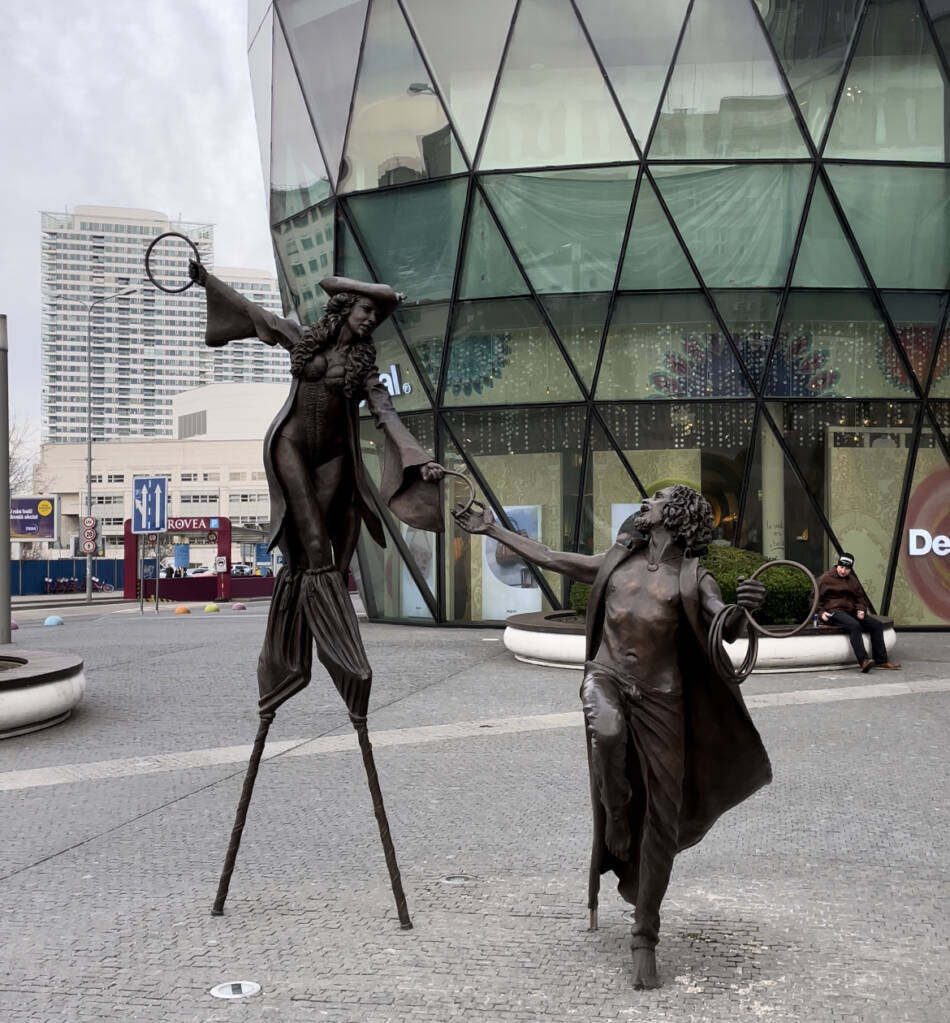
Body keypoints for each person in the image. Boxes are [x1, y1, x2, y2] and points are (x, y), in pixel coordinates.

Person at [453, 485, 771, 990]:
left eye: (658, 498)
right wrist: (491, 528)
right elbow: (551, 557)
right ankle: (617, 812)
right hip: (605, 677)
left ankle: (645, 935)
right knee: (605, 729)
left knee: (664, 817)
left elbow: (724, 627)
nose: (648, 501)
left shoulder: (694, 578)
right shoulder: (617, 561)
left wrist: (745, 608)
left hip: (662, 697)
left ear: (678, 513)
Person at [188, 260, 445, 718]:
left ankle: (314, 644)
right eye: (365, 310)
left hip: (333, 459)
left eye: (376, 315)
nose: (370, 319)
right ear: (345, 308)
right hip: (291, 446)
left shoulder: (364, 366)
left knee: (324, 556)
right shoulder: (305, 337)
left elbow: (386, 414)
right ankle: (309, 646)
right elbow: (255, 315)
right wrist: (207, 280)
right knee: (311, 544)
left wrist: (419, 459)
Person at [817, 552, 900, 673]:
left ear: (850, 569)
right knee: (854, 625)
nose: (843, 571)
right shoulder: (825, 579)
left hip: (850, 611)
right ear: (837, 565)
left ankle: (881, 661)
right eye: (841, 567)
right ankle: (864, 661)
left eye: (847, 568)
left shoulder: (852, 580)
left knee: (876, 625)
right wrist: (821, 612)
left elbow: (860, 598)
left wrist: (861, 609)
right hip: (833, 612)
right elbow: (814, 598)